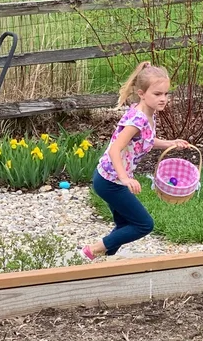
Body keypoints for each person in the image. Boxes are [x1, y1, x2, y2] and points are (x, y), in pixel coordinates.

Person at [81, 62, 189, 261]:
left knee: (124, 226)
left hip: (111, 179)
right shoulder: (136, 120)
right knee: (143, 224)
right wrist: (125, 179)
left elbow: (146, 141)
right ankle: (93, 250)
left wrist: (171, 143)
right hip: (110, 181)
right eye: (157, 94)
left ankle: (101, 261)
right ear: (142, 93)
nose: (163, 99)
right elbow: (114, 149)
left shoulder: (148, 114)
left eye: (166, 93)